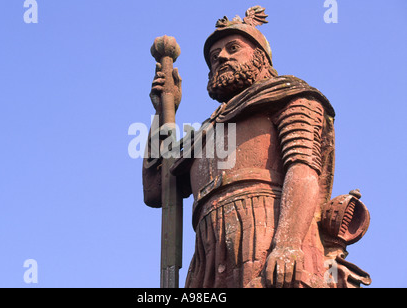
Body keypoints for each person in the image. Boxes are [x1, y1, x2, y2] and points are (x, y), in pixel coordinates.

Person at [143, 6, 370, 288]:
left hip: (267, 231)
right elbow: (156, 190)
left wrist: (288, 243)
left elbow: (303, 168)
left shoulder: (290, 95)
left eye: (233, 48)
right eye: (214, 57)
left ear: (260, 56)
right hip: (208, 253)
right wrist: (162, 113)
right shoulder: (203, 133)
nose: (221, 57)